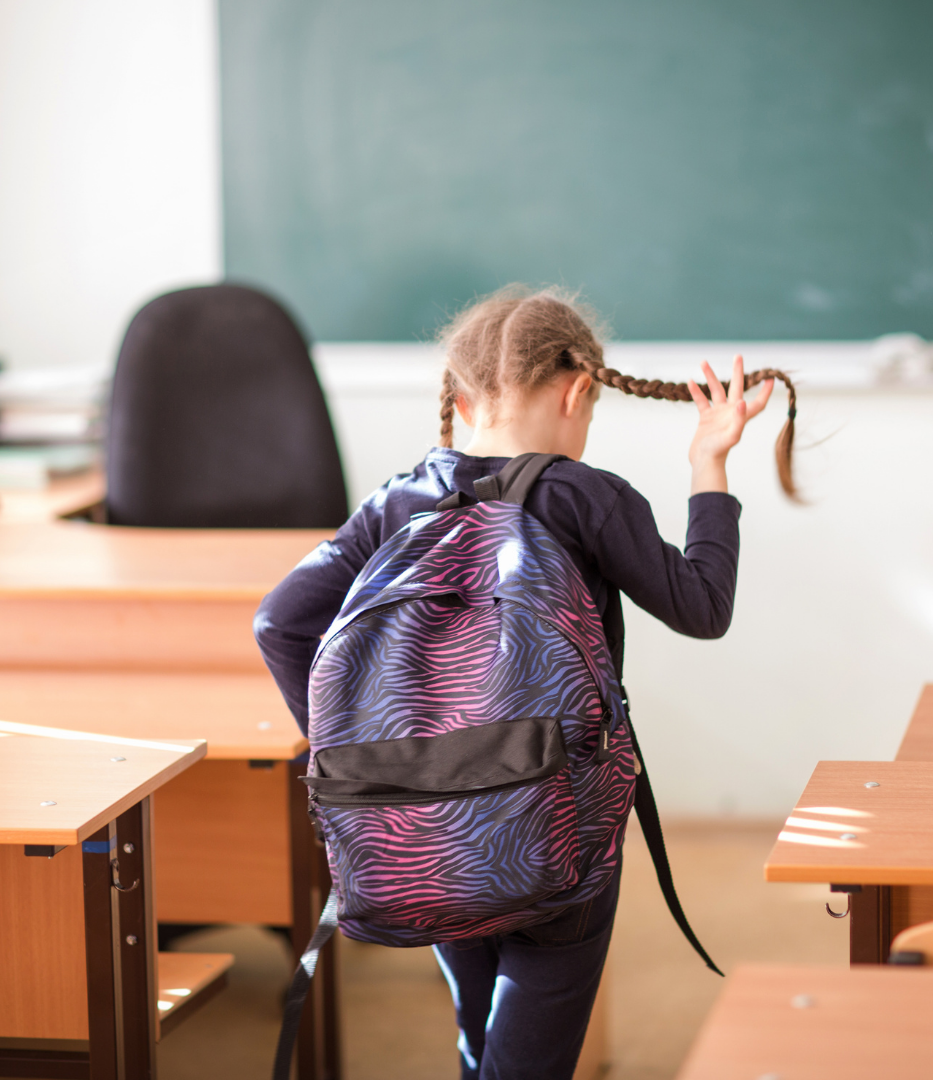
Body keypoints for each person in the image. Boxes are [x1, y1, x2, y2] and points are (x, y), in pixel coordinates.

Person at [255, 286, 779, 1080]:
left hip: (423, 821)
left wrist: (367, 750)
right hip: (555, 823)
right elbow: (703, 608)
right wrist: (711, 465)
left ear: (461, 399)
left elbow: (280, 624)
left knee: (478, 1036)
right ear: (579, 392)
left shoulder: (399, 499)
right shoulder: (588, 495)